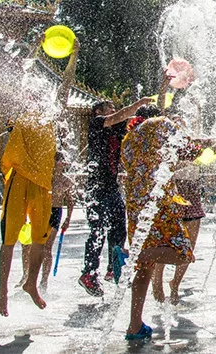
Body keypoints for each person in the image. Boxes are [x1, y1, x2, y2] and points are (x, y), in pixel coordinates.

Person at [0, 39, 79, 317]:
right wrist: (34, 49)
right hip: (18, 182)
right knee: (9, 240)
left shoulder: (52, 117)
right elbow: (23, 76)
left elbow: (66, 87)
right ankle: (2, 291)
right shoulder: (19, 115)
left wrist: (73, 55)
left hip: (43, 188)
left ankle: (31, 283)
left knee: (41, 240)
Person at [119, 104, 216, 340]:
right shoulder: (162, 124)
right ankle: (129, 256)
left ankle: (134, 326)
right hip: (159, 202)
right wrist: (208, 144)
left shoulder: (129, 138)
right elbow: (189, 149)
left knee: (145, 269)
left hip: (134, 203)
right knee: (183, 254)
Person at [79, 94, 154, 297]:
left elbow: (136, 123)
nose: (112, 111)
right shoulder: (96, 124)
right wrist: (138, 104)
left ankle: (114, 268)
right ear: (99, 112)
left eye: (113, 108)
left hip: (111, 186)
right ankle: (89, 273)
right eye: (108, 108)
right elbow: (121, 115)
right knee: (98, 231)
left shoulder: (117, 129)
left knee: (119, 227)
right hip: (96, 187)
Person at [151, 93, 207, 305]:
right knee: (166, 241)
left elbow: (199, 130)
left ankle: (175, 283)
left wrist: (198, 107)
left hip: (192, 192)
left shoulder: (192, 143)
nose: (181, 122)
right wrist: (164, 89)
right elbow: (159, 117)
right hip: (172, 193)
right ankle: (157, 282)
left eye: (183, 121)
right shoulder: (165, 144)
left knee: (189, 246)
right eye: (176, 121)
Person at [15, 153, 75, 292]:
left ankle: (44, 281)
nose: (56, 164)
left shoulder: (66, 181)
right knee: (27, 245)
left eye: (59, 161)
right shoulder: (44, 177)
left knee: (47, 248)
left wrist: (68, 219)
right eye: (54, 161)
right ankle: (26, 275)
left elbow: (70, 202)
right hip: (40, 210)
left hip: (55, 212)